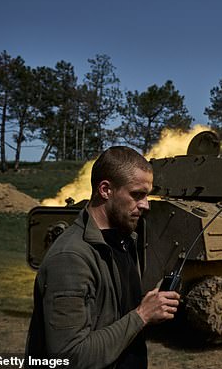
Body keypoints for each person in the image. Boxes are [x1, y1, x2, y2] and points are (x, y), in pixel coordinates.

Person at [26, 146, 180, 369]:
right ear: (105, 190)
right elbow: (69, 357)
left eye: (147, 195)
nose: (146, 205)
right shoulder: (71, 258)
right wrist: (142, 315)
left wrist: (152, 306)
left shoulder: (124, 241)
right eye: (137, 194)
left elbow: (114, 314)